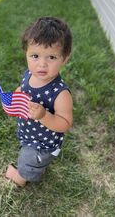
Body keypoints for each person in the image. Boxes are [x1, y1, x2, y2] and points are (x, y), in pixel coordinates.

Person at [5, 16, 73, 187]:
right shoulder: (29, 75)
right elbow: (22, 90)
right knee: (26, 149)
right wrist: (12, 99)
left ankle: (22, 177)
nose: (41, 64)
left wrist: (43, 115)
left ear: (64, 58)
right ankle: (31, 163)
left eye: (51, 57)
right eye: (35, 56)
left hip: (43, 143)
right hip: (29, 132)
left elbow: (65, 123)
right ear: (26, 53)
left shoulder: (60, 93)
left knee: (29, 160)